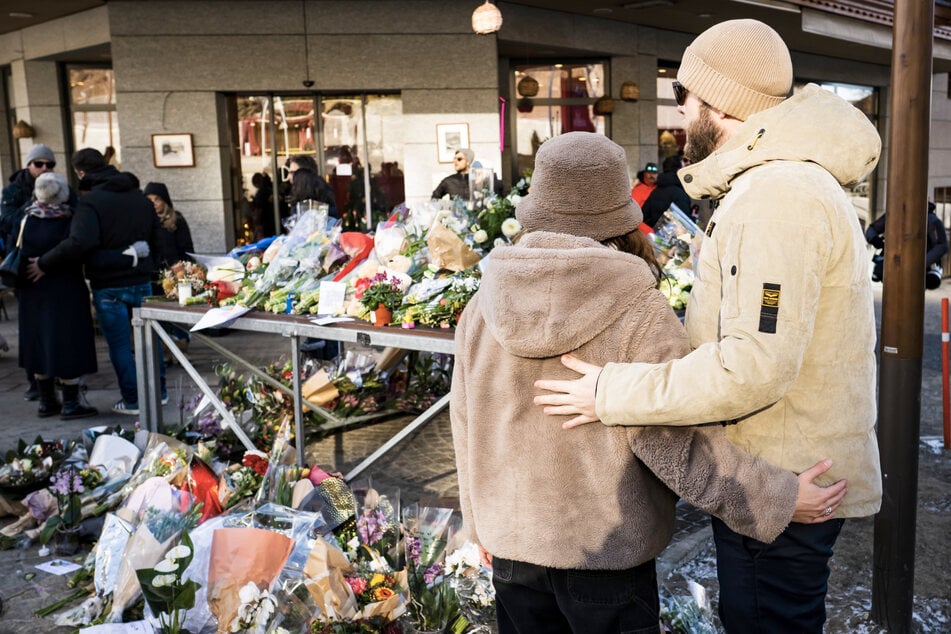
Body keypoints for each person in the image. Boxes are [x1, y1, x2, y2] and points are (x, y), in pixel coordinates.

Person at [532, 20, 882, 634]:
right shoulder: (775, 185)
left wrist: (610, 391)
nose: (679, 108)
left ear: (721, 103)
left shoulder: (777, 197)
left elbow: (754, 365)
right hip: (782, 469)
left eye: (685, 93)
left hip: (782, 477)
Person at [452, 131, 846, 634]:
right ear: (620, 211)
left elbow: (464, 424)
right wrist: (778, 498)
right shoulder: (638, 309)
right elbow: (676, 444)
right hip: (607, 554)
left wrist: (477, 523)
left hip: (512, 550)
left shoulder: (482, 305)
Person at [26, 148, 166, 415]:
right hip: (141, 280)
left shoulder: (89, 202)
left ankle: (134, 400)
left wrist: (44, 263)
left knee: (120, 345)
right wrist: (142, 262)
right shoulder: (140, 198)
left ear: (81, 173)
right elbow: (158, 239)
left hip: (108, 284)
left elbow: (81, 242)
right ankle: (159, 393)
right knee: (151, 340)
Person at [15, 173, 98, 419]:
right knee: (68, 342)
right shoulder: (70, 219)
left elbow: (15, 250)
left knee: (38, 342)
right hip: (65, 289)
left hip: (32, 290)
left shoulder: (26, 218)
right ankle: (71, 403)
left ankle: (46, 401)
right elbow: (76, 251)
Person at [0, 143, 68, 401]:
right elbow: (6, 221)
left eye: (49, 164)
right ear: (28, 164)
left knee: (57, 326)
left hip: (55, 265)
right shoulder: (14, 190)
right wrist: (35, 205)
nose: (44, 168)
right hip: (25, 265)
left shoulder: (59, 185)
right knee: (32, 327)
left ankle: (60, 377)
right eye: (39, 163)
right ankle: (36, 382)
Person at [143, 181, 195, 357]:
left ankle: (181, 347)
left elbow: (186, 247)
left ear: (165, 200)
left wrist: (185, 269)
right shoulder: (145, 222)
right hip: (154, 275)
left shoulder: (176, 219)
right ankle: (164, 350)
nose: (154, 203)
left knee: (178, 312)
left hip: (176, 273)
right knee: (160, 314)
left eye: (157, 199)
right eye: (149, 200)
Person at [866, 201, 948, 289]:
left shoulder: (931, 220)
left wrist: (921, 263)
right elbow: (871, 230)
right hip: (893, 263)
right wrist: (875, 239)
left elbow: (942, 245)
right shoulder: (894, 214)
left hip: (916, 269)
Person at [640, 154, 693, 228]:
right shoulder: (680, 194)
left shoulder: (655, 192)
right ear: (678, 171)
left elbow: (643, 216)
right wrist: (694, 218)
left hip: (655, 234)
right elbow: (686, 223)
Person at [286, 154, 338, 219]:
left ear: (304, 174)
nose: (288, 177)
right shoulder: (325, 192)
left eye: (292, 172)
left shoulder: (304, 202)